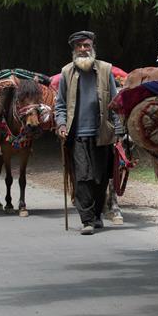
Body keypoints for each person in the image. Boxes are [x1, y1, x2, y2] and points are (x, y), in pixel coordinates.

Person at [55, 31, 123, 235]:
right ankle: (86, 220)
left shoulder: (105, 70)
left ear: (93, 47)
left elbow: (115, 102)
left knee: (100, 178)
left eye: (86, 45)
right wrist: (61, 124)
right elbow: (60, 105)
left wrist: (118, 128)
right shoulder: (67, 72)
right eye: (79, 46)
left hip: (102, 133)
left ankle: (96, 215)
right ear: (73, 50)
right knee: (83, 176)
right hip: (77, 134)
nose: (83, 49)